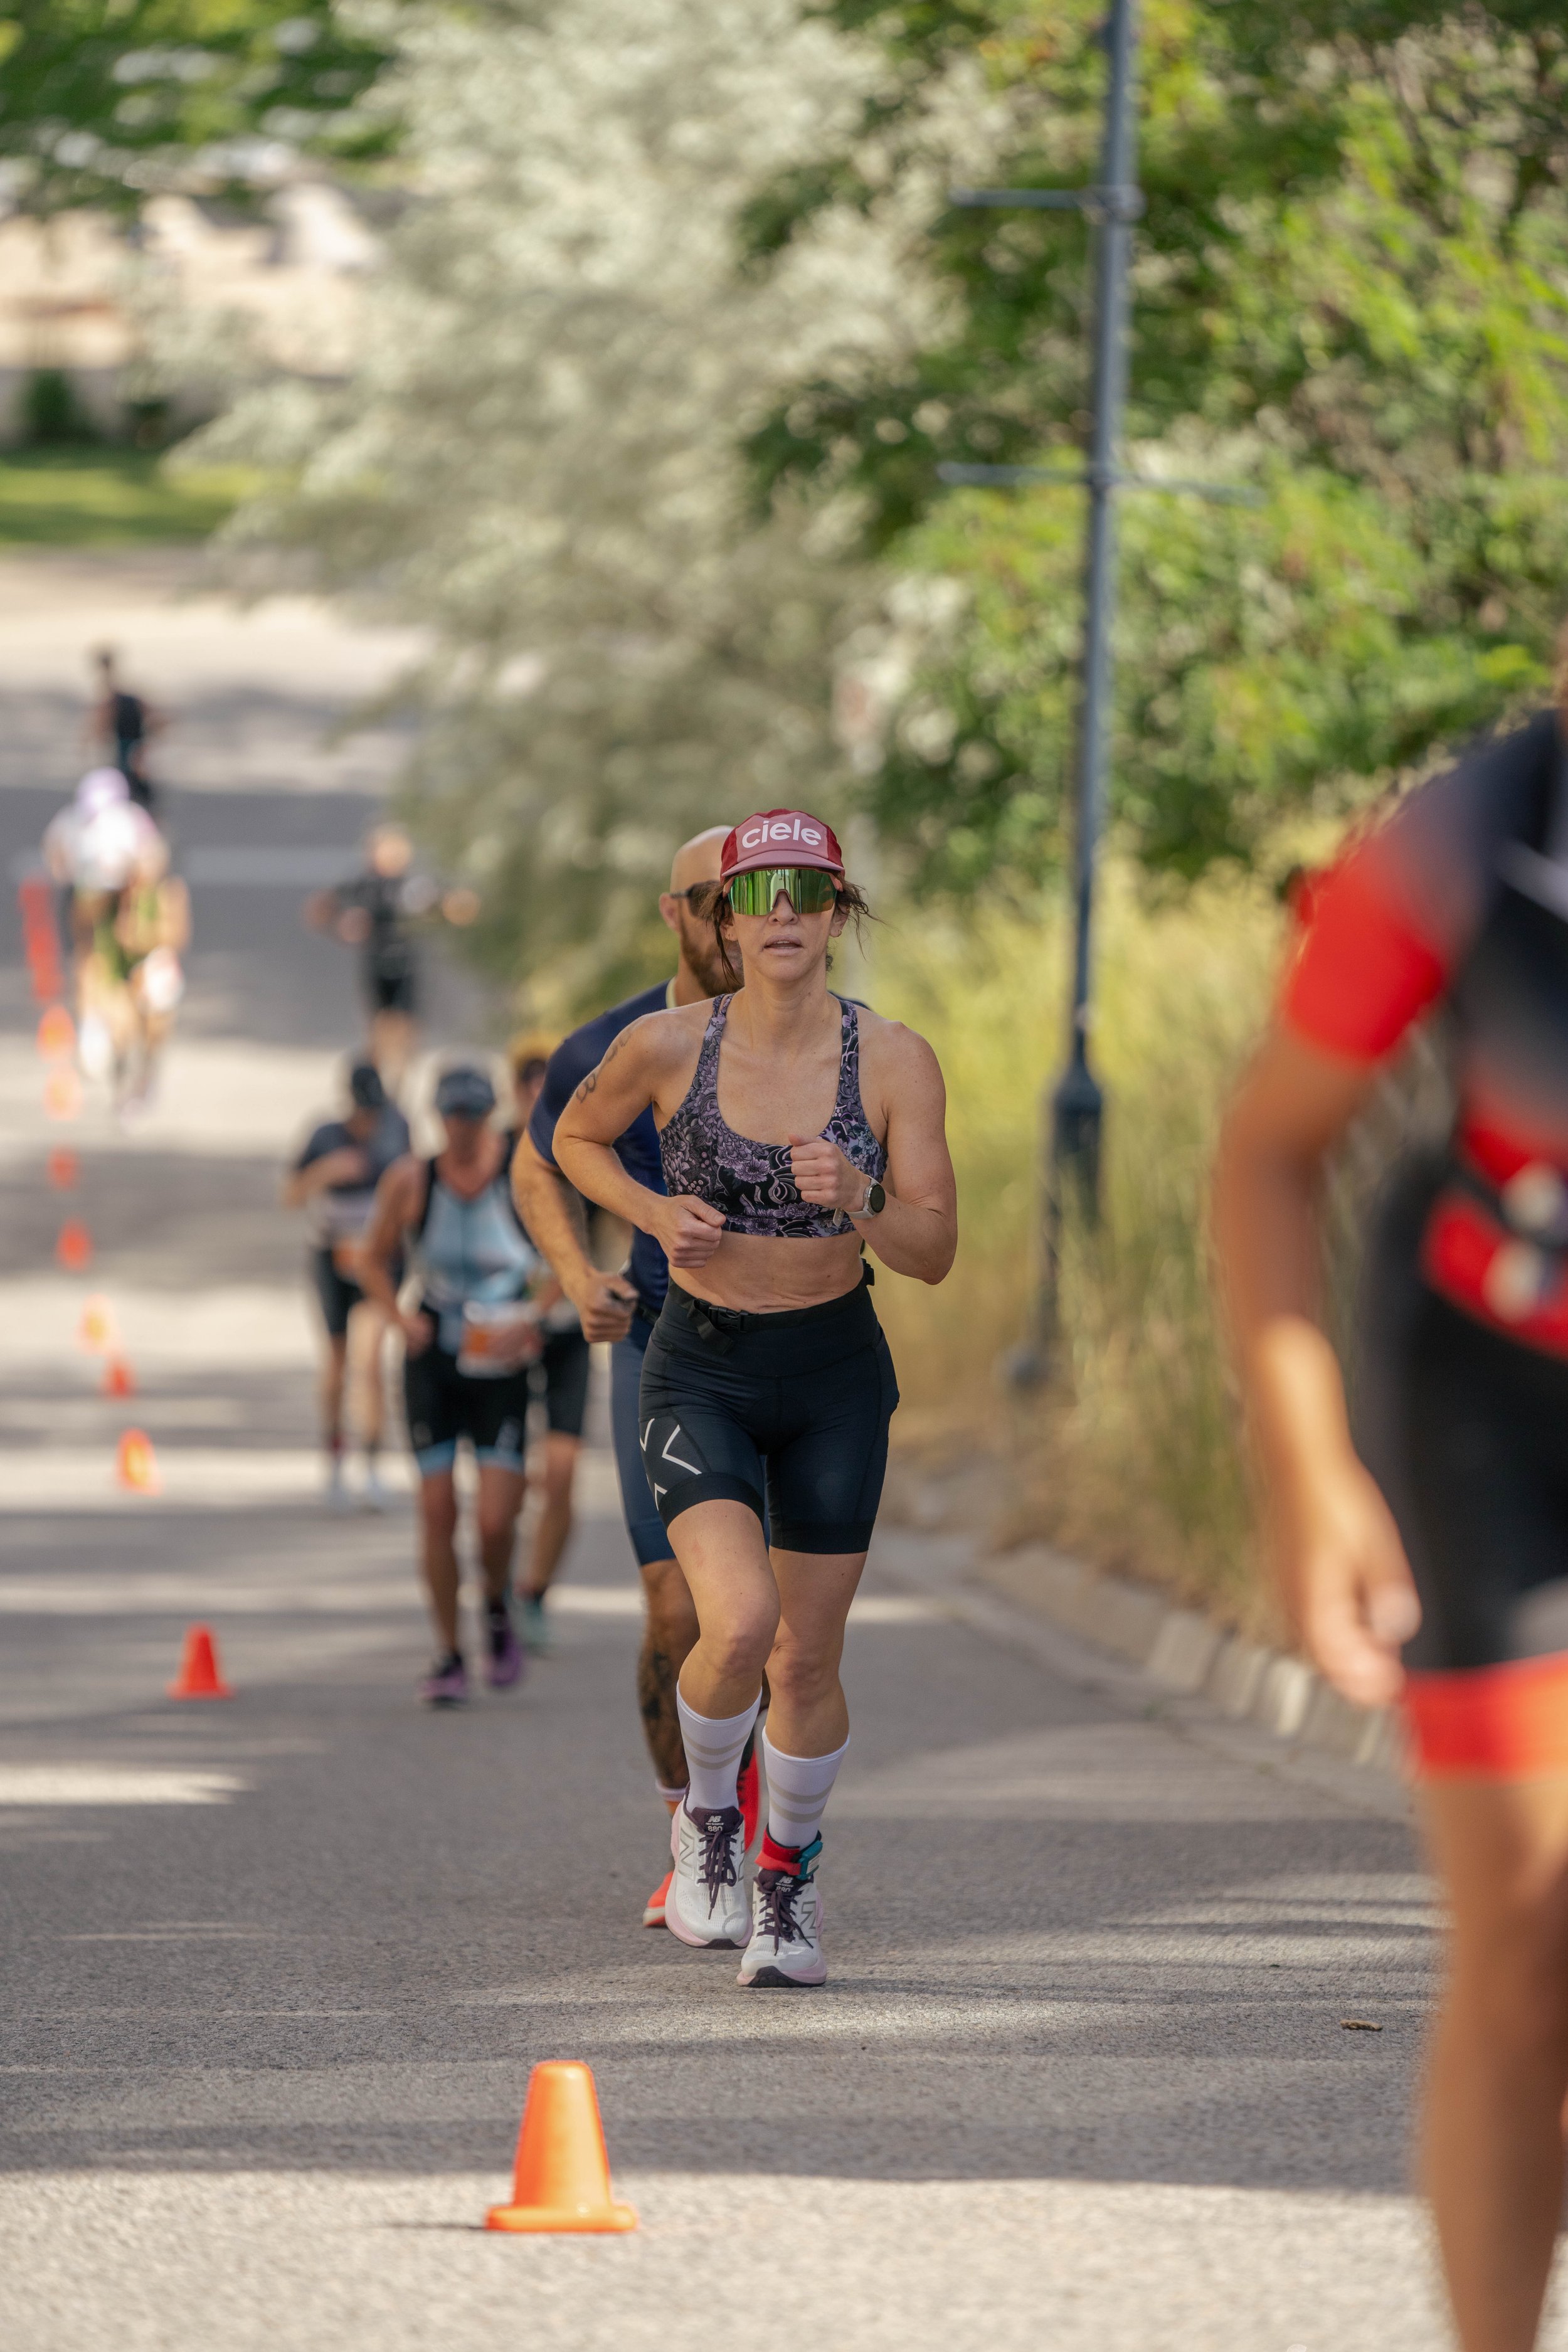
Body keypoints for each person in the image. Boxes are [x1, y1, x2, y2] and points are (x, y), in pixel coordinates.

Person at [1212, 652, 1568, 2352]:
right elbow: (1267, 1150)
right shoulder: (1460, 842)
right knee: (1527, 1944)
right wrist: (1306, 1468)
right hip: (1499, 1405)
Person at [552, 809, 956, 1988]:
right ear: (724, 919)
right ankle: (706, 1827)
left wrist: (864, 1198)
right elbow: (578, 1137)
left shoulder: (893, 1061)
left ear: (838, 912)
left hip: (833, 1371)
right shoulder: (668, 1046)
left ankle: (786, 1885)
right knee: (732, 1626)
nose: (784, 914)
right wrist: (647, 1215)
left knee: (810, 1660)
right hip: (704, 1364)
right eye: (759, 893)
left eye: (808, 891)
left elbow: (932, 1251)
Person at [512, 825, 738, 1927]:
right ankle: (693, 1832)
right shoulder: (617, 1043)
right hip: (661, 1346)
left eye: (749, 899)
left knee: (776, 1623)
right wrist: (576, 1273)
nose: (730, 920)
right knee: (673, 1609)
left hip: (793, 1347)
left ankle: (767, 1839)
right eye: (709, 899)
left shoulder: (819, 1047)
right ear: (673, 911)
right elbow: (537, 1157)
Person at [359, 1062, 546, 1704]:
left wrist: (532, 1321)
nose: (462, 1130)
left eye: (473, 1116)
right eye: (452, 1117)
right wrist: (396, 1317)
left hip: (500, 1364)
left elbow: (563, 1263)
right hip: (433, 1360)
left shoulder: (521, 1178)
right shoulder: (412, 1180)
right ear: (439, 1118)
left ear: (490, 1116)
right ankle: (447, 1653)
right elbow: (369, 1257)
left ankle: (495, 1607)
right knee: (437, 1512)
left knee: (495, 1520)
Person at [282, 1060, 411, 1510]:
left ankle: (373, 1465)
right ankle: (335, 1457)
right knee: (336, 1363)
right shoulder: (325, 1137)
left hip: (378, 1260)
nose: (369, 1122)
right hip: (332, 1259)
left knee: (370, 1359)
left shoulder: (397, 1133)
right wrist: (326, 1172)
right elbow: (290, 1195)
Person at [504, 1035, 588, 1653]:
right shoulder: (490, 1158)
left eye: (550, 1087)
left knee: (559, 1477)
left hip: (566, 1336)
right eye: (530, 1086)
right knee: (505, 1480)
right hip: (502, 1338)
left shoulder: (585, 1154)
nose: (540, 1097)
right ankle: (496, 1585)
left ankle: (534, 1590)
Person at [305, 823, 480, 1093]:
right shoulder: (363, 886)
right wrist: (342, 926)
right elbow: (320, 910)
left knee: (405, 1023)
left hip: (406, 962)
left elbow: (453, 905)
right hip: (376, 961)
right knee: (379, 1023)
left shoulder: (415, 886)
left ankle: (399, 1080)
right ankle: (377, 1080)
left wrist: (454, 908)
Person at [85, 647, 164, 816]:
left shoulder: (114, 697)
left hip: (126, 753)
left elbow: (100, 724)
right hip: (131, 752)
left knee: (130, 796)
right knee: (139, 797)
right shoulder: (127, 695)